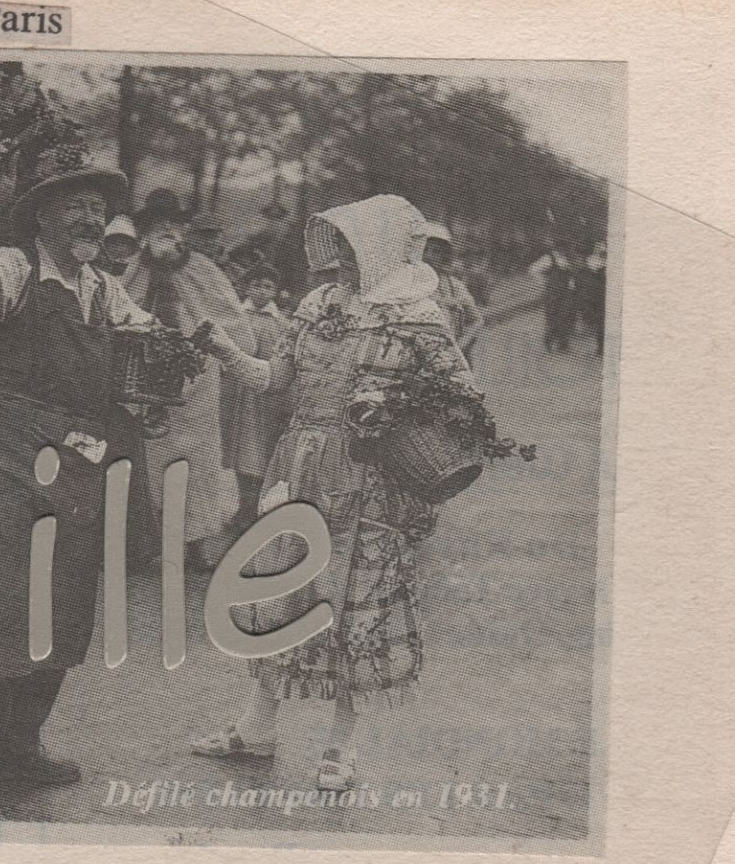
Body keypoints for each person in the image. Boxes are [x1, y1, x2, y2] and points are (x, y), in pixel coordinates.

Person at [194, 194, 476, 793]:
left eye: (351, 246)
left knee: (355, 604)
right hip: (299, 466)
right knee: (280, 596)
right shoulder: (317, 304)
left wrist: (390, 406)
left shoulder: (418, 315)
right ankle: (258, 726)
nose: (339, 259)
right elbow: (275, 381)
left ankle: (342, 745)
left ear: (378, 246)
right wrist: (225, 349)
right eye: (336, 246)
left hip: (370, 478)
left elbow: (462, 401)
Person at [0, 140, 152, 819]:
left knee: (60, 608)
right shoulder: (12, 267)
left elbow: (144, 346)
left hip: (71, 461)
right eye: (75, 206)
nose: (90, 219)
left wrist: (171, 362)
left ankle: (19, 746)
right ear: (42, 215)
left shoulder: (103, 286)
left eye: (97, 208)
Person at [120, 189, 249, 568]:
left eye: (173, 227)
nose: (167, 234)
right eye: (158, 227)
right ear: (145, 231)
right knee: (144, 459)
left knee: (198, 461)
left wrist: (203, 341)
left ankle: (197, 544)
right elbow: (113, 311)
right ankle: (143, 543)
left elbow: (237, 328)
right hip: (139, 382)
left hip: (196, 384)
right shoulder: (131, 270)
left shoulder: (204, 271)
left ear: (182, 230)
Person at [219, 263, 293, 532]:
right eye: (256, 285)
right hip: (234, 392)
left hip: (262, 398)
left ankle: (252, 509)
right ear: (246, 287)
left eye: (268, 286)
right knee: (237, 451)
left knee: (256, 450)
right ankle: (243, 506)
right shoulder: (236, 315)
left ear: (275, 291)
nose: (261, 291)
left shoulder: (282, 323)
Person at [421, 223, 485, 364]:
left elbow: (476, 320)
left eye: (436, 251)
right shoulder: (406, 284)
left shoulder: (453, 285)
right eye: (424, 250)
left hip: (453, 360)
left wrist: (460, 347)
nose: (429, 257)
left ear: (445, 255)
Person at [531, 236, 583, 353]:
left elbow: (569, 275)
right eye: (561, 247)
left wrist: (571, 285)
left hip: (565, 292)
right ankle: (548, 340)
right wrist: (544, 281)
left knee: (565, 316)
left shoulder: (565, 259)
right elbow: (533, 269)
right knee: (553, 317)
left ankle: (563, 344)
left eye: (564, 247)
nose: (563, 250)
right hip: (552, 293)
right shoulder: (549, 259)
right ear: (556, 248)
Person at [577, 239, 607, 356]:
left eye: (604, 246)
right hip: (595, 294)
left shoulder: (610, 260)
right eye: (599, 246)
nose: (602, 249)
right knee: (600, 321)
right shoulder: (591, 261)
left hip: (606, 293)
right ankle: (600, 346)